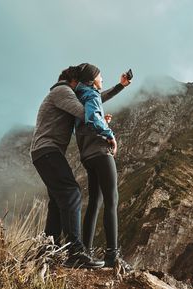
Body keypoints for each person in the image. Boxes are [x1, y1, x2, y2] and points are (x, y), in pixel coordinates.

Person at [30, 65, 126, 268]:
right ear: (74, 81)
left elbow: (94, 100)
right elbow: (88, 111)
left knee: (57, 202)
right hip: (47, 151)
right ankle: (75, 252)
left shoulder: (65, 92)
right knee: (72, 194)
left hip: (45, 152)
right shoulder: (62, 91)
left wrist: (119, 87)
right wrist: (104, 125)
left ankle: (48, 250)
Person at [74, 63, 131, 268]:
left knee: (95, 203)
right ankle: (112, 256)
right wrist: (109, 134)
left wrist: (120, 86)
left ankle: (85, 253)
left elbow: (99, 99)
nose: (102, 78)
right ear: (91, 80)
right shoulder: (91, 96)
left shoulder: (81, 95)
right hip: (100, 152)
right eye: (100, 75)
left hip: (87, 155)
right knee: (111, 201)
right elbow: (92, 116)